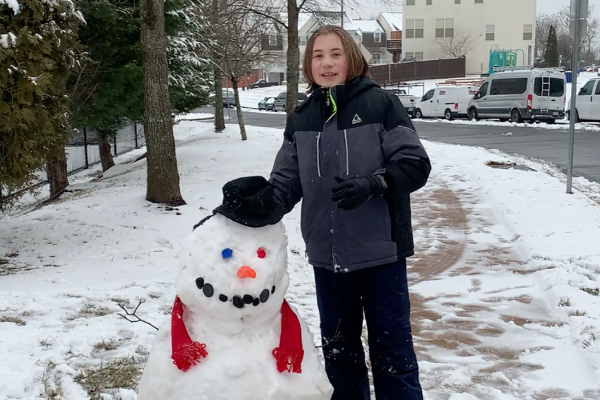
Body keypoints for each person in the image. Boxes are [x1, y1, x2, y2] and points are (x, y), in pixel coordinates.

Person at [224, 25, 430, 400]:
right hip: (328, 259)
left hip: (381, 253)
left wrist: (375, 184)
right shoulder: (302, 116)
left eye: (335, 54)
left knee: (392, 353)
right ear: (308, 65)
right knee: (340, 354)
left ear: (351, 58)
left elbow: (415, 164)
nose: (327, 63)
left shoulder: (381, 105)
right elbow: (285, 185)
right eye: (318, 55)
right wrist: (253, 204)